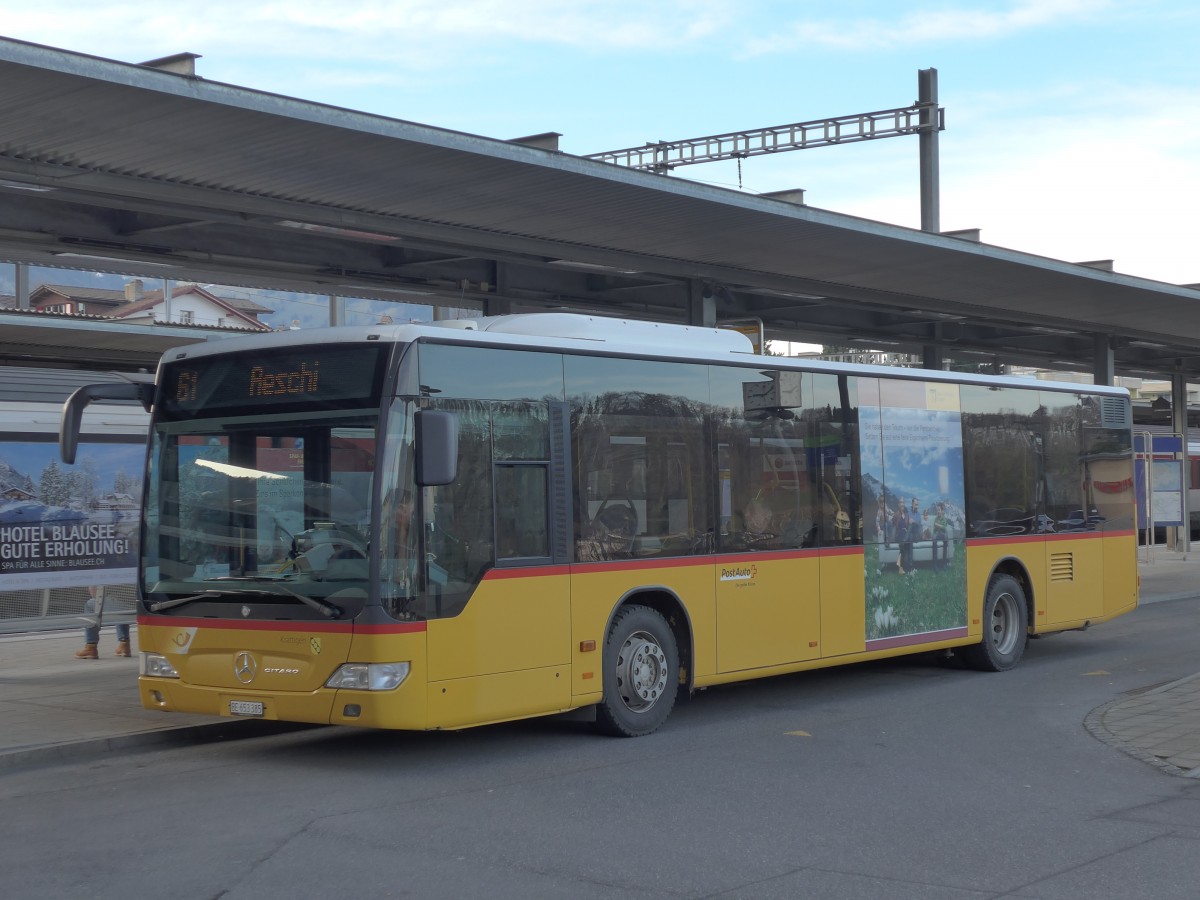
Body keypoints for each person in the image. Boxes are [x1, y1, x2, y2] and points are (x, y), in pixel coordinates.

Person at [75, 584, 130, 659]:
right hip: (131, 603)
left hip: (110, 601)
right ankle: (124, 644)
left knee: (89, 605)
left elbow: (95, 591)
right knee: (120, 607)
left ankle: (91, 646)